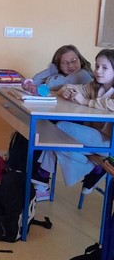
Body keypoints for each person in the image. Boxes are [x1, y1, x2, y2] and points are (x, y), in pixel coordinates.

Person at [38, 49, 114, 192]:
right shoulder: (94, 86)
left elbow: (110, 104)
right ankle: (94, 169)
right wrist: (67, 91)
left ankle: (44, 173)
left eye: (104, 68)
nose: (98, 71)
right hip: (95, 137)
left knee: (60, 128)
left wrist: (86, 102)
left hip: (109, 143)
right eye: (97, 66)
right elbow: (70, 87)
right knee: (55, 137)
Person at [21, 44, 93, 94]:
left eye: (74, 61)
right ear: (58, 65)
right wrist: (52, 69)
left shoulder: (83, 74)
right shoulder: (61, 74)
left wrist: (51, 72)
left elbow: (51, 85)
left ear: (80, 60)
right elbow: (35, 80)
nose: (70, 65)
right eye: (65, 63)